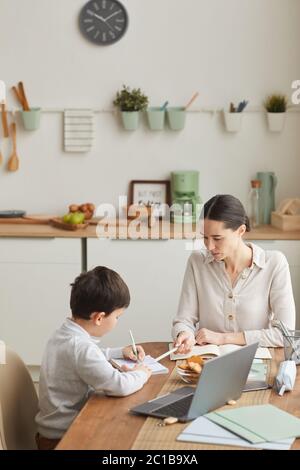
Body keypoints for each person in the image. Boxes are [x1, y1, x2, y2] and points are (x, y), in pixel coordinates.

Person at [35, 266, 151, 450]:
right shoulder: (81, 348)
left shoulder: (64, 335)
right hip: (63, 440)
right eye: (118, 317)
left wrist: (120, 352)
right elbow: (118, 386)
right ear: (99, 318)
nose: (117, 321)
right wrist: (142, 373)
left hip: (50, 432)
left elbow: (86, 358)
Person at [173, 194, 295, 354]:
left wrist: (223, 338)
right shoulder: (197, 262)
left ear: (241, 231)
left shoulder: (274, 263)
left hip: (257, 362)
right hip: (207, 362)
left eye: (217, 238)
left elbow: (284, 335)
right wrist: (185, 334)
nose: (209, 246)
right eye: (205, 238)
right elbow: (184, 320)